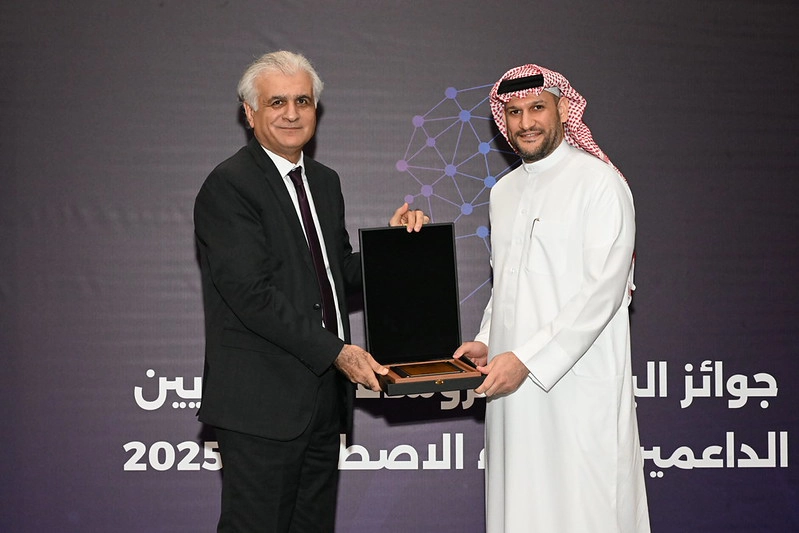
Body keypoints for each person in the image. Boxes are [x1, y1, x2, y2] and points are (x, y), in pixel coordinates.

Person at [194, 50, 427, 533]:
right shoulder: (229, 185)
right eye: (276, 102)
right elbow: (251, 295)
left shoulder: (323, 182)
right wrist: (338, 352)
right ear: (250, 113)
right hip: (261, 405)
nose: (292, 113)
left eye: (302, 100)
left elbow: (336, 273)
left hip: (322, 401)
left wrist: (396, 249)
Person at [454, 64, 651, 532]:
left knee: (585, 511)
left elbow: (603, 294)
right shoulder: (504, 192)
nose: (526, 123)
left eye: (537, 108)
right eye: (514, 112)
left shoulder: (600, 183)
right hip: (511, 385)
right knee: (521, 509)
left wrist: (527, 358)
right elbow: (509, 283)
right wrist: (488, 339)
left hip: (577, 388)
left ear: (563, 109)